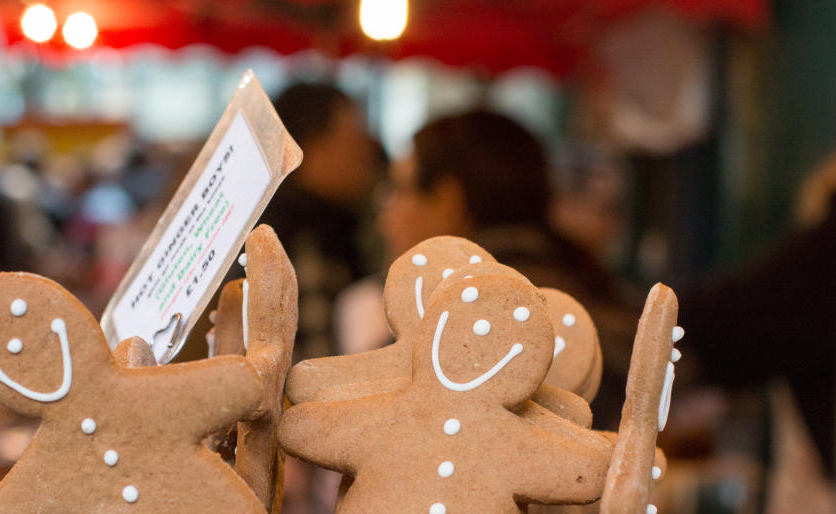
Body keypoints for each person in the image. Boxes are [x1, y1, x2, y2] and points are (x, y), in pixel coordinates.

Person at [371, 109, 635, 425]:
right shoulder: (584, 282)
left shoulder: (446, 317)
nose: (386, 218)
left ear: (447, 198)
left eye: (399, 190)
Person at [262, 82, 382, 361]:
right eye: (355, 139)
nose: (367, 152)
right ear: (313, 145)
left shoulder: (326, 225)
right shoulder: (302, 241)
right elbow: (316, 365)